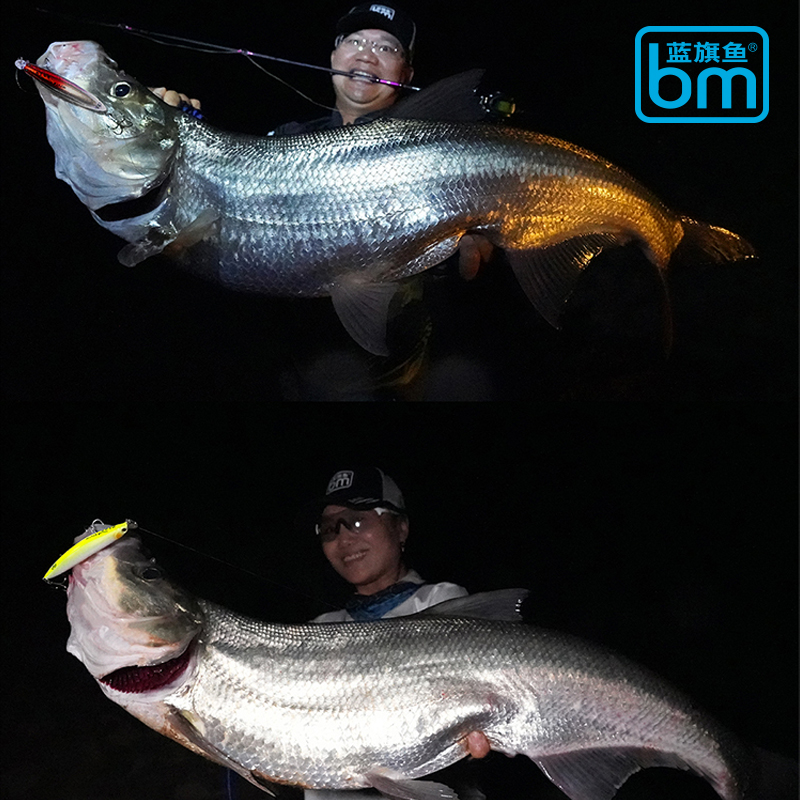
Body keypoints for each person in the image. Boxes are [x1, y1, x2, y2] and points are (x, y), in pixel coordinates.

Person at [152, 4, 493, 280]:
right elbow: (228, 184)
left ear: (406, 75)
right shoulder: (290, 137)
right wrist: (183, 126)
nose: (366, 55)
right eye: (355, 41)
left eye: (387, 47)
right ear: (333, 58)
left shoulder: (438, 139)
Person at [300, 466, 492, 778]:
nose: (344, 538)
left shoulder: (444, 604)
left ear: (400, 528)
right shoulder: (319, 630)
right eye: (330, 528)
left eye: (358, 520)